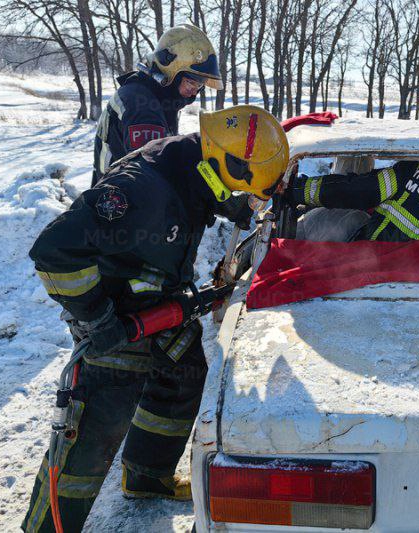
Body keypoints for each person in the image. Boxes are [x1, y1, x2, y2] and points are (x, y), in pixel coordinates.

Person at [22, 105, 289, 533]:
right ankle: (46, 528)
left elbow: (200, 189)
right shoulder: (138, 191)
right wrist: (100, 319)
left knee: (184, 372)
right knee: (96, 431)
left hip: (159, 303)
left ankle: (147, 476)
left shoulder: (192, 158)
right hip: (116, 315)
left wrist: (236, 208)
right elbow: (53, 250)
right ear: (226, 161)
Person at [92, 25, 223, 187]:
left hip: (123, 195)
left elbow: (169, 156)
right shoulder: (141, 104)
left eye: (199, 86)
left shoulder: (158, 98)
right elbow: (156, 171)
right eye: (191, 82)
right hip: (120, 199)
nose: (194, 92)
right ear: (171, 70)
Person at [285, 158, 419, 243]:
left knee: (348, 217)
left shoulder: (414, 174)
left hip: (366, 272)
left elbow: (353, 190)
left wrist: (296, 190)